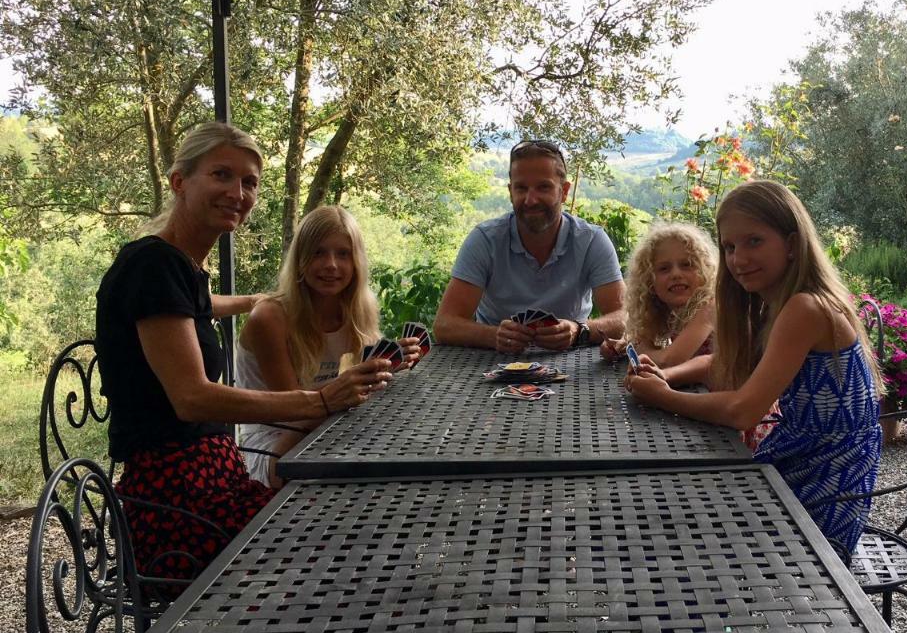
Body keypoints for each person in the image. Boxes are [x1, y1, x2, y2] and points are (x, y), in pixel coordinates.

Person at [95, 122, 394, 583]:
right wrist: (319, 400)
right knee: (345, 541)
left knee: (357, 518)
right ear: (179, 181)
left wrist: (256, 300)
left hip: (217, 477)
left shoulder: (181, 269)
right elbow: (191, 398)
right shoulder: (153, 266)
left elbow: (194, 308)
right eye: (221, 175)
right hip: (175, 503)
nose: (237, 192)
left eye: (249, 182)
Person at [624, 180, 883, 558]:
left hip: (823, 496)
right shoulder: (776, 305)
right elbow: (723, 369)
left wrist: (665, 398)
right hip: (802, 466)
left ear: (792, 244)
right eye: (729, 246)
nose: (738, 259)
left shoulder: (806, 309)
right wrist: (666, 378)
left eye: (754, 241)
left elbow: (743, 411)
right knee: (672, 511)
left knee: (669, 527)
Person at [236, 205, 420, 488]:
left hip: (329, 426)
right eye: (319, 252)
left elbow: (350, 388)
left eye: (343, 254)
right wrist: (352, 387)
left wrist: (388, 363)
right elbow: (294, 411)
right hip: (274, 447)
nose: (331, 265)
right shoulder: (270, 316)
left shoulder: (359, 311)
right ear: (300, 259)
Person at [434, 139, 625, 353]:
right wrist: (494, 336)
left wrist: (578, 331)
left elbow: (625, 317)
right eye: (521, 188)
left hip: (574, 364)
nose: (530, 200)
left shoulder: (591, 240)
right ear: (510, 191)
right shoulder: (485, 240)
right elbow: (444, 325)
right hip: (492, 363)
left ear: (564, 191)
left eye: (543, 187)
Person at [599, 221, 717, 385]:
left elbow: (669, 361)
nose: (676, 273)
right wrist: (623, 345)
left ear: (706, 271)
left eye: (687, 265)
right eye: (664, 269)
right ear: (649, 282)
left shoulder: (711, 307)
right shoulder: (670, 310)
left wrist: (633, 349)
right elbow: (645, 339)